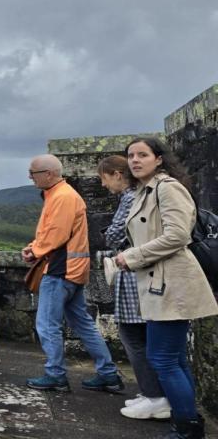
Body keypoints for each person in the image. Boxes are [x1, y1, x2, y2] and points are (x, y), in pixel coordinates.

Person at [116, 137, 217, 438]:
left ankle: (187, 427)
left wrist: (131, 256)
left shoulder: (167, 188)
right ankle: (187, 420)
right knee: (173, 358)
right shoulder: (144, 191)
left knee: (162, 359)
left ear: (158, 159)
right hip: (159, 280)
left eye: (142, 155)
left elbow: (177, 236)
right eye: (131, 155)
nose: (135, 160)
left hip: (171, 282)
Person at [22, 154, 123, 393]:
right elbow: (50, 231)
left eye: (33, 173)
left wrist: (34, 250)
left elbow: (57, 234)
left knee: (47, 325)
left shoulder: (63, 196)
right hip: (72, 270)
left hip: (60, 270)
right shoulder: (59, 194)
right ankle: (108, 374)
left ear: (49, 174)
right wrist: (34, 245)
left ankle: (55, 375)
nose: (30, 177)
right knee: (83, 324)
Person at [97, 155, 169, 420]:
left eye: (104, 179)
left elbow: (116, 235)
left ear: (117, 174)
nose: (103, 185)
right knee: (145, 337)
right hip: (144, 273)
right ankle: (153, 394)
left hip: (133, 273)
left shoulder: (130, 197)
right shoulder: (143, 193)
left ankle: (155, 397)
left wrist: (110, 234)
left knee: (133, 336)